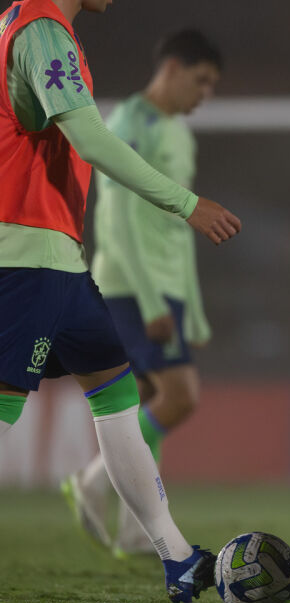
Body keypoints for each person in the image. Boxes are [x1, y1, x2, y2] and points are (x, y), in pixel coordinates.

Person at [0, 0, 240, 603]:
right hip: (25, 258)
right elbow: (92, 140)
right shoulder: (41, 31)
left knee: (119, 395)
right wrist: (188, 203)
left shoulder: (30, 29)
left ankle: (176, 557)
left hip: (61, 263)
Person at [62, 29, 222, 557]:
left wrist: (191, 312)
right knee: (179, 397)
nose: (205, 95)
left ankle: (116, 504)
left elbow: (179, 234)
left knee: (154, 399)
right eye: (201, 81)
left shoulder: (181, 134)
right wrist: (153, 304)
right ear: (173, 68)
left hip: (166, 288)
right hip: (131, 286)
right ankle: (109, 495)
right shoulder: (130, 121)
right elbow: (121, 219)